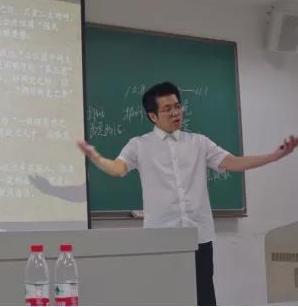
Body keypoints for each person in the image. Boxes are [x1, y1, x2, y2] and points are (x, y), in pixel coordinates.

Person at [77, 81, 297, 306]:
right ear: (153, 116)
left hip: (199, 236)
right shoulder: (139, 145)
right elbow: (117, 169)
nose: (175, 113)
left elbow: (233, 162)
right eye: (167, 109)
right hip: (160, 238)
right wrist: (97, 158)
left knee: (204, 297)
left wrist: (274, 156)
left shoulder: (199, 142)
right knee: (166, 298)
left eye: (177, 106)